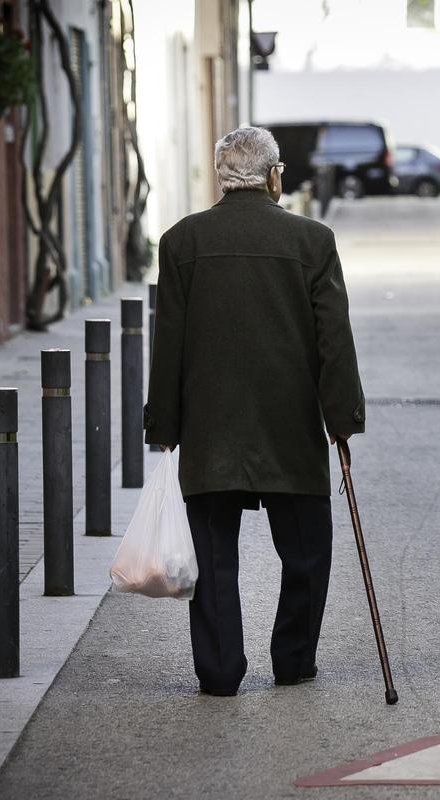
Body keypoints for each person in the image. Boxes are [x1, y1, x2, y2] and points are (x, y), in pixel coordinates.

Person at [144, 126, 365, 696]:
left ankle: (219, 671)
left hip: (210, 430)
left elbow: (167, 341)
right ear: (273, 177)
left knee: (213, 556)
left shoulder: (181, 242)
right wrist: (341, 421)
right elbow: (333, 342)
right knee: (308, 552)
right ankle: (292, 659)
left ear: (221, 178)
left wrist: (163, 426)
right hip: (289, 427)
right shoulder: (312, 241)